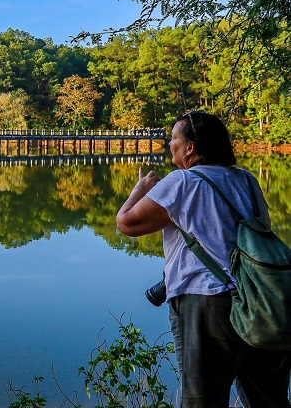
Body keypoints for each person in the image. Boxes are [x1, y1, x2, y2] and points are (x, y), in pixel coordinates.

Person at [117, 110, 291, 407]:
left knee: (203, 402)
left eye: (174, 138)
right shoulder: (247, 180)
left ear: (190, 148)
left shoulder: (182, 182)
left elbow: (127, 224)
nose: (169, 143)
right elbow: (262, 231)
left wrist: (140, 189)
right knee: (269, 400)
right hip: (261, 301)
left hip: (205, 304)